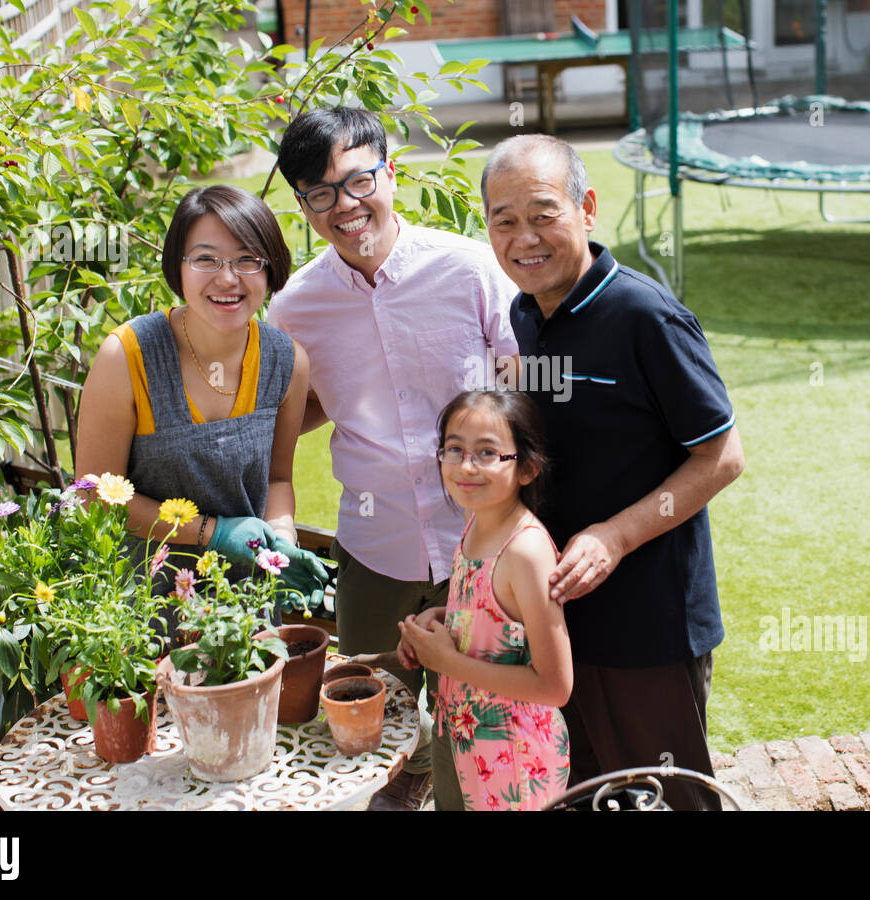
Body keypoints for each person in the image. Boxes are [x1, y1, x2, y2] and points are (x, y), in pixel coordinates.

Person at [480, 134, 746, 810]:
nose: (524, 238)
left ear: (587, 208)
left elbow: (721, 456)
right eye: (503, 220)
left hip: (648, 621)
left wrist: (617, 537)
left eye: (543, 213)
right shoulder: (525, 313)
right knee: (580, 792)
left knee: (664, 799)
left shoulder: (646, 315)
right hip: (560, 618)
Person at [267, 107, 520, 811]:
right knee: (371, 739)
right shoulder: (297, 309)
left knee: (484, 733)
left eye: (357, 181)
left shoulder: (469, 268)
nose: (345, 206)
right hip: (374, 553)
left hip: (485, 547)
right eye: (321, 192)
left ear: (390, 172)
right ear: (303, 205)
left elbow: (524, 386)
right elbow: (304, 406)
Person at [76, 185, 327, 610]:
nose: (228, 278)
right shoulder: (128, 355)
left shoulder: (287, 362)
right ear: (179, 267)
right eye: (206, 258)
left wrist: (281, 545)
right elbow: (96, 495)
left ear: (271, 269)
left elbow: (277, 480)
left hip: (244, 616)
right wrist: (212, 531)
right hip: (141, 610)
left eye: (248, 259)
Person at [396, 389, 572, 811]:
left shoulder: (525, 552)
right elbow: (491, 614)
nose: (466, 466)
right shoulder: (476, 520)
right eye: (454, 449)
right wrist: (435, 622)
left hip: (513, 759)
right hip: (466, 740)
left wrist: (446, 662)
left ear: (526, 468)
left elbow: (555, 684)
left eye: (487, 453)